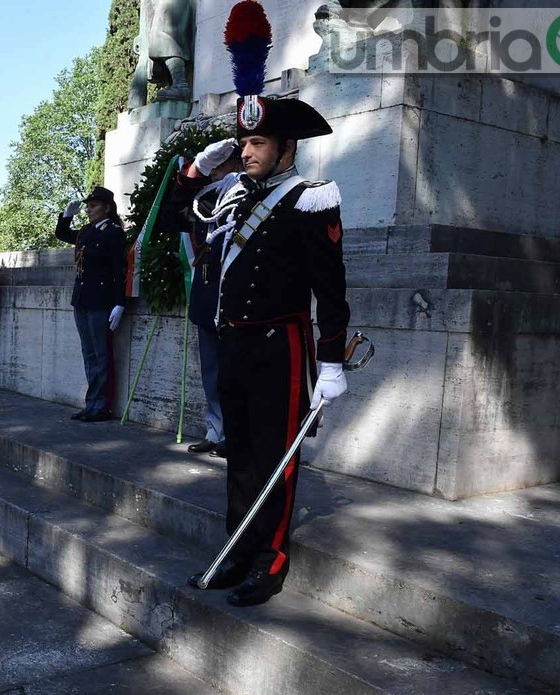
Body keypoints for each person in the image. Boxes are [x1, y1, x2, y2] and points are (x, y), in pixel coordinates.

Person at [182, 0, 351, 607]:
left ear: (286, 148)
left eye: (257, 142)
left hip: (282, 346)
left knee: (275, 459)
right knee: (241, 455)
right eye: (243, 140)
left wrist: (329, 363)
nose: (246, 150)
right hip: (234, 341)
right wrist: (200, 168)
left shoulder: (312, 198)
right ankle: (238, 550)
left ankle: (272, 559)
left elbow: (330, 288)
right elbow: (183, 208)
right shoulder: (231, 195)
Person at [167, 144, 243, 457]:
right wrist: (195, 171)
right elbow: (173, 216)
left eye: (221, 164)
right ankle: (216, 430)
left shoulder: (246, 197)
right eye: (214, 165)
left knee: (234, 373)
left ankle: (236, 435)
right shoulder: (206, 201)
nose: (216, 170)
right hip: (207, 296)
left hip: (234, 301)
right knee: (210, 371)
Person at [55, 187, 127, 422]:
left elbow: (119, 269)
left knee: (101, 353)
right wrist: (66, 216)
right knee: (88, 353)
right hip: (82, 299)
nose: (88, 210)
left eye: (93, 206)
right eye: (88, 206)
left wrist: (119, 303)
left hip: (101, 300)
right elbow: (62, 234)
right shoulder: (86, 231)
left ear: (106, 207)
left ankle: (102, 405)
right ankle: (92, 403)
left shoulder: (114, 233)